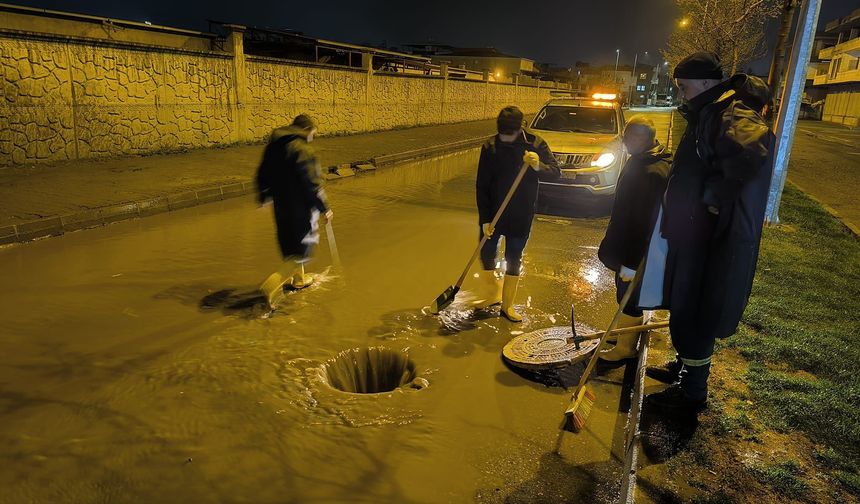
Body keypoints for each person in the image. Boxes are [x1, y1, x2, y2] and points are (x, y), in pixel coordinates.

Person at [639, 53, 774, 415]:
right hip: (691, 230)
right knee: (682, 304)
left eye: (684, 86)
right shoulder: (710, 112)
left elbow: (751, 151)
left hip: (704, 237)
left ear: (706, 84)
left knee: (694, 308)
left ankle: (692, 391)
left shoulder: (729, 113)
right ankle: (685, 366)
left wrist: (711, 199)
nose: (681, 94)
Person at [473, 106, 560, 321]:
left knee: (513, 256)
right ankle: (492, 293)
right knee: (486, 252)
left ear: (520, 128)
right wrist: (484, 219)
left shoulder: (535, 144)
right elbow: (482, 185)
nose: (506, 139)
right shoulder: (491, 146)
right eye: (503, 135)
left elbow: (556, 172)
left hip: (521, 212)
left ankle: (507, 304)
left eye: (509, 136)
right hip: (494, 213)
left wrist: (538, 165)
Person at [597, 115, 671, 362]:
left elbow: (641, 224)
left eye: (628, 137)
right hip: (632, 245)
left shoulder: (650, 172)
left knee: (629, 295)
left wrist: (630, 262)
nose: (624, 142)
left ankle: (625, 349)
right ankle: (623, 334)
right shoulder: (647, 159)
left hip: (636, 249)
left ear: (642, 138)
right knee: (626, 292)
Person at [256, 114, 333, 309]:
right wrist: (325, 208)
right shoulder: (303, 149)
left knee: (291, 244)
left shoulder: (275, 146)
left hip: (281, 206)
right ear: (307, 130)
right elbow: (312, 183)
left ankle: (299, 280)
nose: (313, 138)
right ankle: (270, 286)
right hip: (301, 208)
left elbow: (262, 172)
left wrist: (264, 196)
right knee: (301, 249)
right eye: (313, 134)